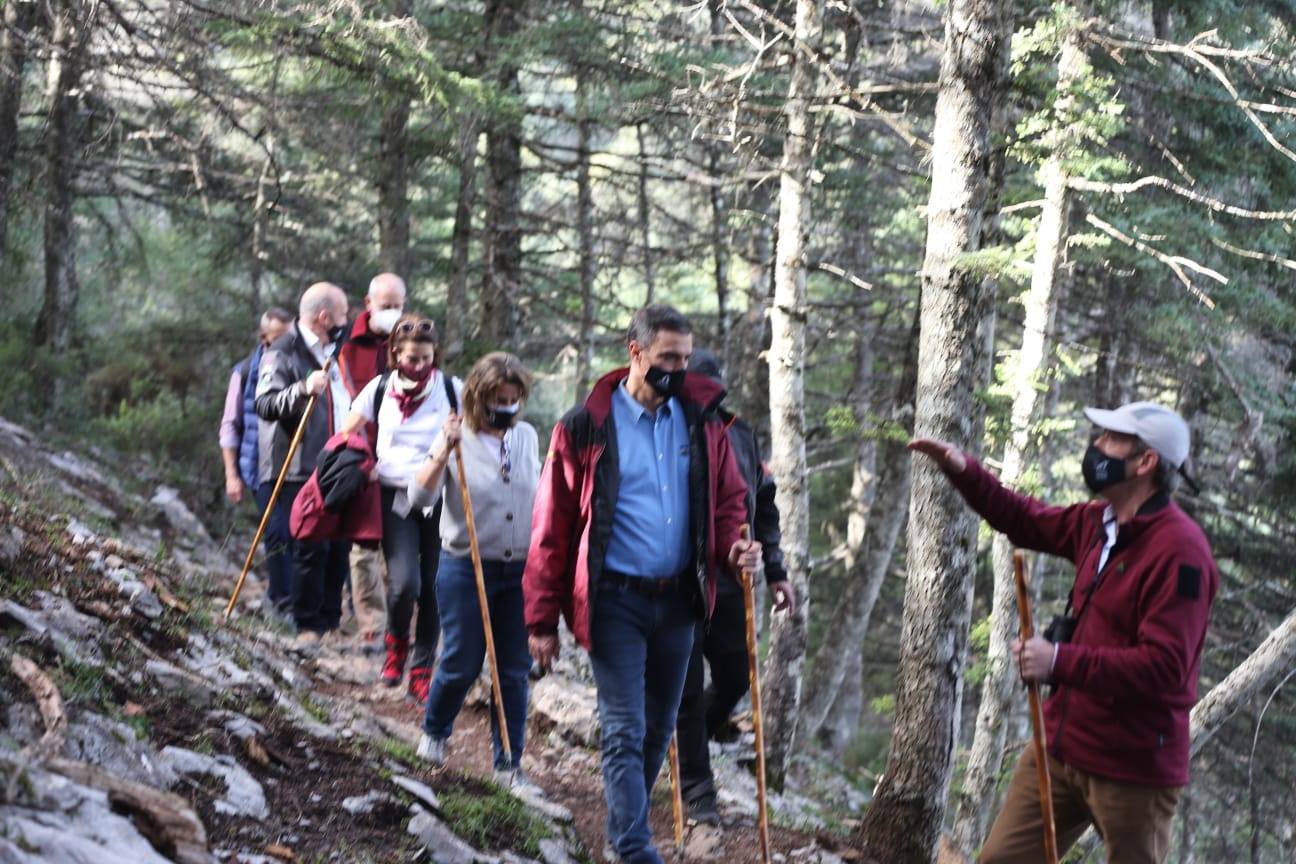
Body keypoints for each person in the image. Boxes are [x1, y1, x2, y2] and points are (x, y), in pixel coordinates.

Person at [909, 401, 1218, 864]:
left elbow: (1165, 666)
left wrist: (1058, 661)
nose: (1097, 446)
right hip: (1060, 749)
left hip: (1133, 768)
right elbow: (1023, 519)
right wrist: (962, 468)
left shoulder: (1182, 552)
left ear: (1146, 462)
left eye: (1112, 439)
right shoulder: (1097, 522)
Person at [524, 304, 761, 864]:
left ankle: (618, 832)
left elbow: (729, 501)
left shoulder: (702, 423)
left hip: (680, 599)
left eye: (684, 358)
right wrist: (540, 619)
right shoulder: (585, 427)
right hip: (614, 601)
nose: (678, 369)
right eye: (667, 358)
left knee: (659, 729)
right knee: (626, 727)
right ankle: (633, 848)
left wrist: (734, 547)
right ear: (636, 352)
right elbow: (551, 527)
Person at [673, 349, 795, 826]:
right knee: (682, 687)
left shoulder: (740, 432)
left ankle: (688, 740)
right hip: (680, 586)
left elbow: (762, 502)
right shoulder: (669, 432)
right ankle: (698, 795)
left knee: (735, 677)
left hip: (729, 584)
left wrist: (777, 571)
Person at [410, 352, 539, 788]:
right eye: (499, 399)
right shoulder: (454, 437)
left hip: (518, 570)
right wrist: (442, 451)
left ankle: (509, 763)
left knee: (513, 669)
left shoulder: (526, 437)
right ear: (478, 398)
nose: (506, 407)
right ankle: (434, 732)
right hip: (465, 565)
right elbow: (419, 499)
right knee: (463, 660)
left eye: (514, 400)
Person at [340, 315, 458, 704]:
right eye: (411, 359)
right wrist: (362, 463)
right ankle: (396, 648)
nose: (419, 366)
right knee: (406, 581)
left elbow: (478, 433)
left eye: (426, 358)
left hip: (440, 496)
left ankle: (423, 668)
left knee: (434, 585)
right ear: (395, 354)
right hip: (395, 496)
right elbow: (347, 432)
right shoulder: (379, 390)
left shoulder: (450, 390)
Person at [255, 282, 353, 646]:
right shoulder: (283, 352)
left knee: (337, 546)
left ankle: (329, 622)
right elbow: (264, 403)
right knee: (308, 547)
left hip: (337, 464)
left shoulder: (335, 351)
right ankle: (305, 625)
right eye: (342, 315)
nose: (346, 321)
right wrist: (301, 390)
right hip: (296, 465)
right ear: (324, 316)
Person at [337, 273, 407, 648]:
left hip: (406, 466)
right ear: (368, 304)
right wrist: (365, 460)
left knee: (401, 549)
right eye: (386, 306)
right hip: (365, 458)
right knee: (364, 547)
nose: (392, 313)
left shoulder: (411, 341)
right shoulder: (349, 345)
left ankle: (401, 625)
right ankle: (370, 624)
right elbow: (353, 405)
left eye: (398, 306)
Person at [218, 308, 291, 506]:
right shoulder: (244, 372)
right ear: (264, 337)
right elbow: (230, 425)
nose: (284, 345)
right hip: (260, 471)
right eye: (278, 338)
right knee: (277, 532)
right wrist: (231, 476)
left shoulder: (299, 367)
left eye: (288, 338)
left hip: (295, 473)